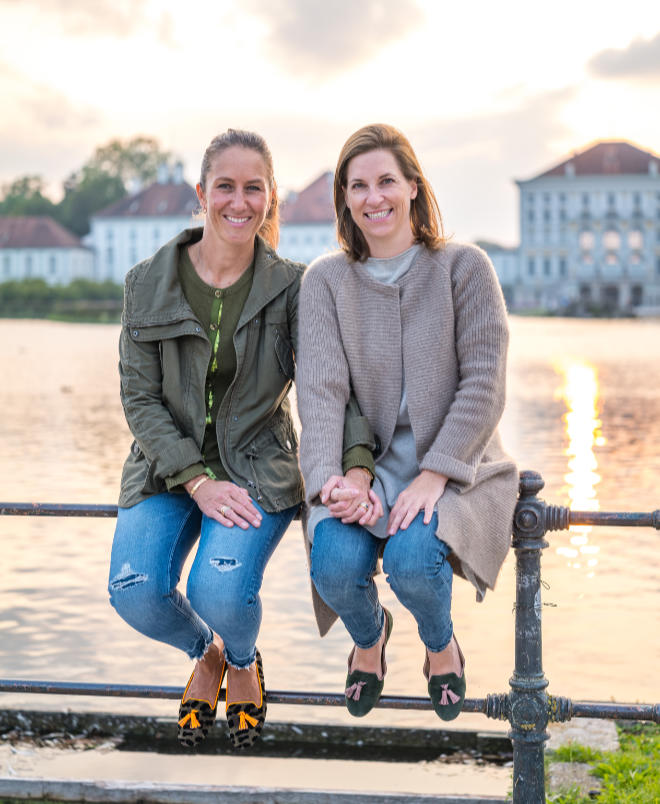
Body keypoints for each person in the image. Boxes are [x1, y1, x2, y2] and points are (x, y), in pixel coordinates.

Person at [108, 129, 374, 749]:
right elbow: (139, 400)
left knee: (218, 589)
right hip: (165, 467)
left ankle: (245, 659)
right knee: (134, 592)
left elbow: (334, 388)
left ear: (270, 197)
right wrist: (195, 481)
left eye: (254, 188)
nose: (239, 201)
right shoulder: (145, 283)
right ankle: (210, 653)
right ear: (201, 194)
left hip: (257, 463)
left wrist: (356, 464)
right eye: (225, 186)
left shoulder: (295, 287)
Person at [297, 123, 518, 721]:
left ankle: (440, 646)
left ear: (414, 187)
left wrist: (435, 475)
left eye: (387, 181)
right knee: (335, 564)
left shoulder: (463, 268)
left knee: (412, 560)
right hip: (357, 468)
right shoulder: (324, 282)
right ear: (344, 198)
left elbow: (484, 383)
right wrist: (336, 482)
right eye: (358, 185)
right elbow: (319, 394)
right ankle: (369, 642)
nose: (375, 198)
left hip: (455, 461)